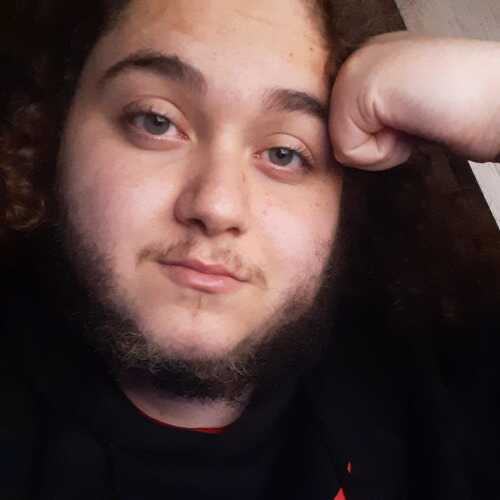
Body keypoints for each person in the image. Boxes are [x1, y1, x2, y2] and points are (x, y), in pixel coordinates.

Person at [0, 0, 498, 499]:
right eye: (155, 121)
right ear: (53, 129)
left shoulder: (438, 381)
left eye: (284, 153)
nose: (217, 205)